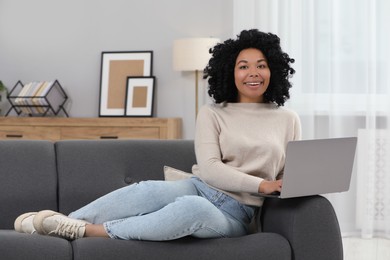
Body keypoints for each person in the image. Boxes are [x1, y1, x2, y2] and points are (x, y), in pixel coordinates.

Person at [14, 29, 301, 241]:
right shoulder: (213, 113)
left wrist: (282, 186)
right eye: (243, 66)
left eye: (261, 65)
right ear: (230, 72)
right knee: (147, 189)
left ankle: (89, 232)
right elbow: (212, 170)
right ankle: (58, 224)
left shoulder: (288, 119)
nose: (253, 73)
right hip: (201, 186)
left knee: (192, 210)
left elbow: (292, 176)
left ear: (273, 70)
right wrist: (263, 184)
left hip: (238, 213)